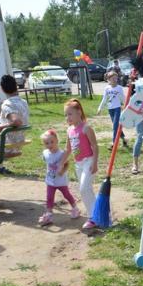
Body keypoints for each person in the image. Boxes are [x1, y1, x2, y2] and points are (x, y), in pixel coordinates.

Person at [60, 99, 99, 230]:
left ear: (79, 112)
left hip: (88, 161)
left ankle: (93, 218)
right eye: (66, 115)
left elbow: (95, 146)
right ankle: (98, 214)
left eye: (70, 114)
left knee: (83, 189)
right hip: (78, 164)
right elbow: (68, 149)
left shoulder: (86, 128)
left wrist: (95, 163)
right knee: (86, 190)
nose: (67, 117)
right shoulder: (69, 130)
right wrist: (60, 162)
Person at [38, 130, 79, 226]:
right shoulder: (45, 153)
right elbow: (46, 161)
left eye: (52, 142)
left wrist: (62, 171)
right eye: (46, 143)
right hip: (50, 181)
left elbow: (67, 164)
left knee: (66, 194)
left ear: (57, 140)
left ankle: (75, 208)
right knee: (49, 197)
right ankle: (49, 214)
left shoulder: (61, 154)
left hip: (61, 181)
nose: (49, 145)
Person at [96, 71, 127, 149]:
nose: (114, 80)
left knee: (115, 126)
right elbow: (104, 99)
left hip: (117, 108)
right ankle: (124, 139)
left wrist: (126, 106)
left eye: (116, 78)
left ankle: (114, 143)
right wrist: (100, 108)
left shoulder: (119, 88)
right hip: (110, 109)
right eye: (113, 78)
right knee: (116, 126)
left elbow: (123, 98)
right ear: (109, 79)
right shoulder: (107, 88)